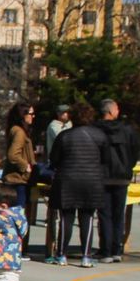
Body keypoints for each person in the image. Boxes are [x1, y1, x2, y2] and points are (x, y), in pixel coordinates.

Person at [46, 102, 109, 266]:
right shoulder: (100, 136)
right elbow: (106, 159)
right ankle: (86, 256)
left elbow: (54, 159)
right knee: (87, 218)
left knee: (66, 218)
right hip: (91, 180)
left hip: (67, 179)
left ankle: (61, 255)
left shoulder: (64, 136)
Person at [94, 98, 138, 262]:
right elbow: (135, 152)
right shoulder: (127, 131)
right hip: (122, 177)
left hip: (102, 176)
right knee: (119, 214)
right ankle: (116, 250)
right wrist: (128, 167)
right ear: (111, 111)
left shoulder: (95, 129)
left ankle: (105, 250)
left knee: (104, 214)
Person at [0, 101, 36, 221]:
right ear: (22, 114)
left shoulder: (15, 130)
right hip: (17, 180)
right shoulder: (19, 132)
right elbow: (12, 155)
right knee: (17, 215)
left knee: (13, 214)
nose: (33, 116)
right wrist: (26, 165)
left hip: (14, 179)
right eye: (31, 113)